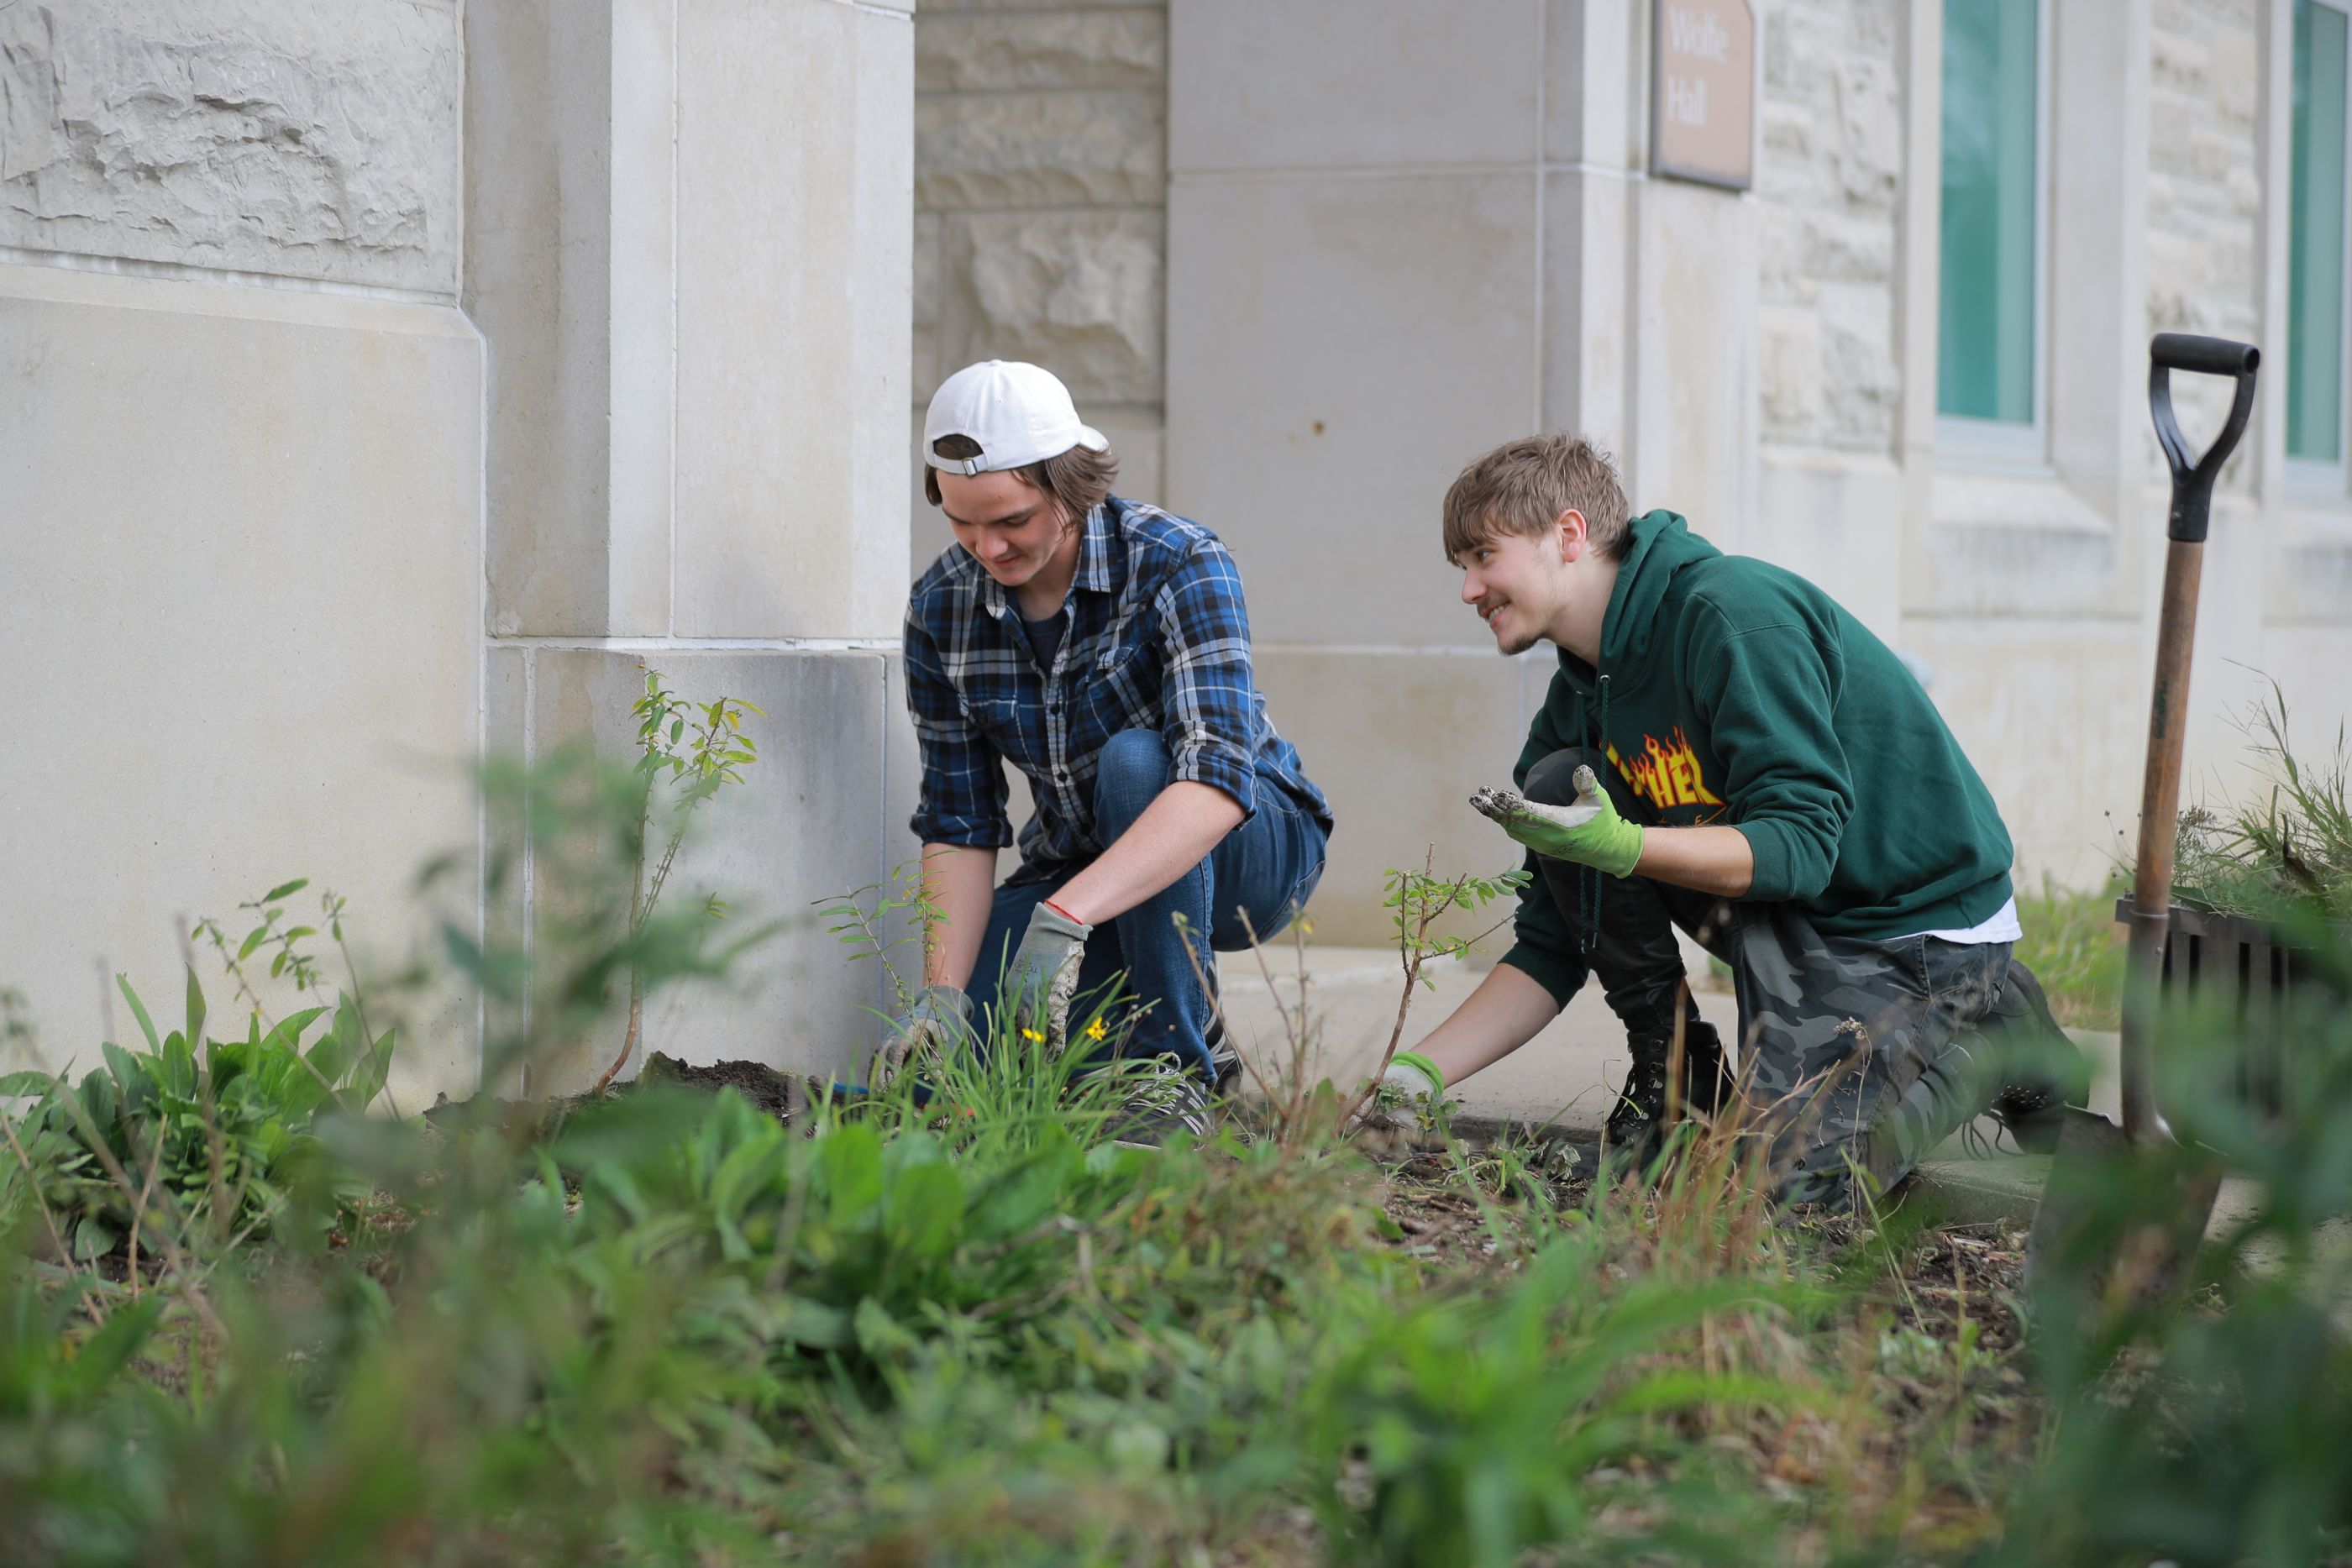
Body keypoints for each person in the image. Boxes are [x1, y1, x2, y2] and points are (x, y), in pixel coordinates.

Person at [1367, 434, 2079, 1203]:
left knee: (1782, 1191)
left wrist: (1629, 846)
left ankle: (1995, 1039)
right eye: (1461, 567)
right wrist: (1415, 1073)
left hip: (1908, 923)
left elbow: (1803, 846)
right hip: (1785, 914)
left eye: (1482, 556)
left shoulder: (1732, 617)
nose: (1469, 590)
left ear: (1567, 536)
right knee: (1555, 782)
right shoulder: (1579, 704)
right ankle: (1680, 1078)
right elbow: (1553, 941)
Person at [879, 359, 1333, 1143]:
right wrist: (943, 995)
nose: (986, 546)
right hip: (1083, 869)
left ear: (1070, 486)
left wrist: (1066, 917)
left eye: (1012, 520)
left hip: (1250, 851)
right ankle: (1193, 1036)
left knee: (1135, 762)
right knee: (981, 1055)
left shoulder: (1180, 561)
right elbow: (960, 821)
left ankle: (1174, 1072)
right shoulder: (941, 607)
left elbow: (1217, 777)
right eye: (961, 521)